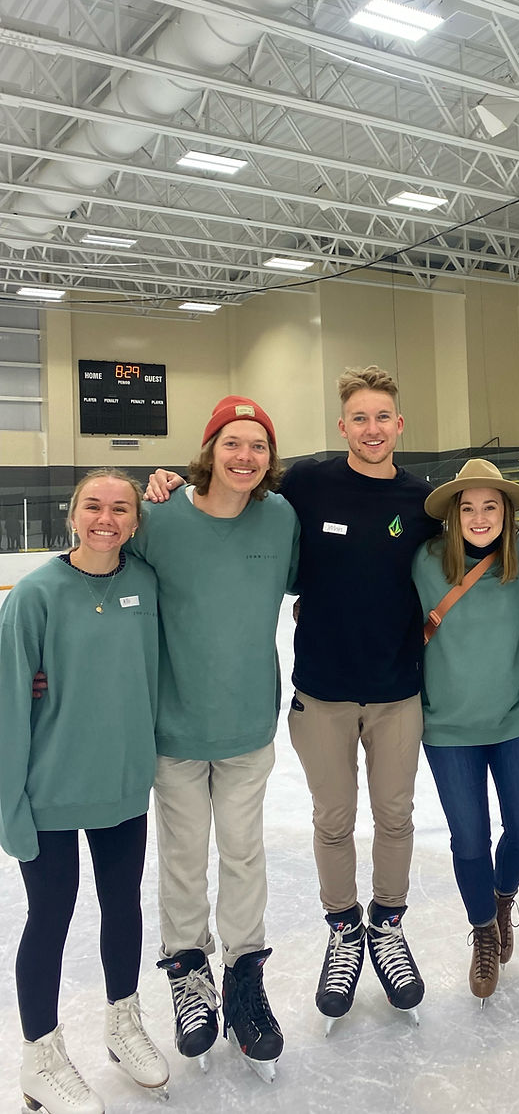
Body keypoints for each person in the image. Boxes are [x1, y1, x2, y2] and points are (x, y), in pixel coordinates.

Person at [138, 396, 299, 1083]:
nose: (244, 456)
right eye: (232, 442)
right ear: (209, 449)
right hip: (174, 727)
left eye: (257, 445)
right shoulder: (160, 517)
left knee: (242, 853)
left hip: (244, 727)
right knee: (181, 857)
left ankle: (242, 976)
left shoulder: (281, 517)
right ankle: (187, 971)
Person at [0, 469, 168, 1114]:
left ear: (135, 520)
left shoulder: (145, 585)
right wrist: (10, 805)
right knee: (51, 918)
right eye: (93, 506)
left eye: (121, 508)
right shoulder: (36, 595)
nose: (107, 518)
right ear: (73, 515)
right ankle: (39, 1057)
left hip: (122, 786)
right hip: (50, 792)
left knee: (123, 907)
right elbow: (11, 704)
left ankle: (123, 1024)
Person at [283, 367, 440, 1028]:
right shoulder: (307, 482)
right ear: (342, 425)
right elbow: (231, 501)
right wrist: (172, 486)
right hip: (322, 691)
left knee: (397, 817)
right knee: (334, 819)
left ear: (398, 425)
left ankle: (388, 923)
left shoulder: (422, 498)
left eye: (384, 416)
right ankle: (345, 929)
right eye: (360, 417)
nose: (372, 428)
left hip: (397, 689)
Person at [413, 458, 519, 1003]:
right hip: (447, 727)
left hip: (518, 718)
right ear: (452, 515)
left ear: (508, 513)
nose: (478, 516)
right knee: (469, 840)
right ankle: (484, 930)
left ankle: (502, 895)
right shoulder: (423, 561)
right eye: (467, 507)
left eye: (490, 505)